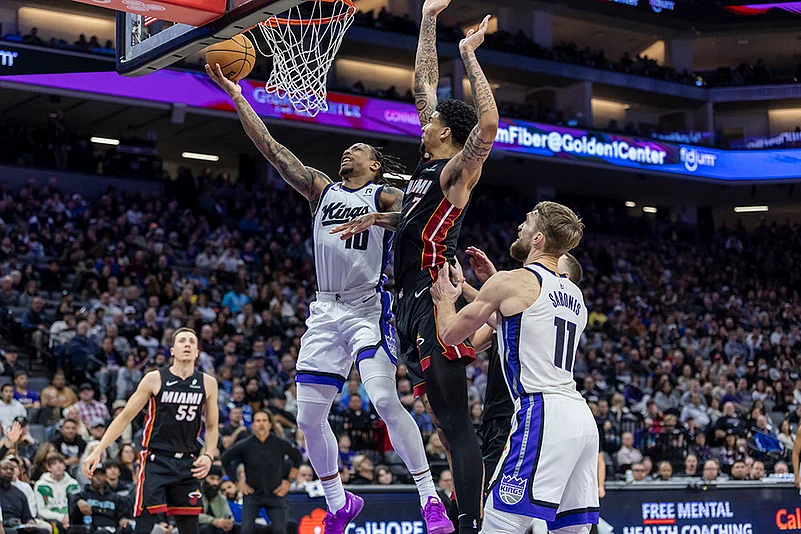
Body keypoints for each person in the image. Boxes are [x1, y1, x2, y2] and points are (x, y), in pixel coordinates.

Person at [207, 54, 451, 534]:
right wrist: (238, 97)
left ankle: (429, 499)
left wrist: (377, 219)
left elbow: (420, 217)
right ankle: (340, 503)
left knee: (384, 400)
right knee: (307, 417)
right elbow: (273, 149)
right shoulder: (321, 189)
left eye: (357, 149)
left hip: (367, 307)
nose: (347, 153)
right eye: (346, 149)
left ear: (374, 164)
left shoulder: (383, 194)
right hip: (324, 310)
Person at [335, 2, 499, 531]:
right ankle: (464, 508)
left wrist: (468, 54)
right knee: (442, 426)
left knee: (456, 423)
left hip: (434, 296)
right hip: (403, 300)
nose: (423, 123)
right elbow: (422, 83)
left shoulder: (455, 173)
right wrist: (428, 18)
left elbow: (488, 124)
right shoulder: (425, 169)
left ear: (446, 133)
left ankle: (471, 522)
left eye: (432, 122)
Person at [431, 202, 598, 533]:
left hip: (542, 412)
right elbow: (516, 324)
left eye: (527, 221)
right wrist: (485, 286)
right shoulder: (575, 295)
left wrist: (446, 300)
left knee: (499, 523)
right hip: (581, 419)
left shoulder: (514, 281)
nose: (520, 226)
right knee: (571, 530)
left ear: (537, 238)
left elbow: (451, 335)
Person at [82, 327, 219, 534]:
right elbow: (125, 417)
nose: (187, 344)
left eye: (192, 341)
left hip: (187, 462)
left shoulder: (208, 383)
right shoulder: (155, 379)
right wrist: (99, 449)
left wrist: (208, 455)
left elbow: (212, 426)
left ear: (197, 352)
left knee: (190, 528)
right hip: (156, 460)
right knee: (144, 526)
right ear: (172, 350)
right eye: (182, 341)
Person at [221, 411, 300, 534]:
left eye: (264, 420)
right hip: (252, 495)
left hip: (275, 494)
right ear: (253, 425)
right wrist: (237, 483)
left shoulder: (280, 444)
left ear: (270, 424)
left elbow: (297, 458)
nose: (261, 424)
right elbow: (225, 458)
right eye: (258, 421)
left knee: (280, 530)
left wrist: (289, 482)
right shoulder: (245, 445)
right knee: (246, 530)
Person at [69, 464, 133, 534]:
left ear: (105, 476)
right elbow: (73, 518)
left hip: (113, 530)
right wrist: (78, 501)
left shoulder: (115, 497)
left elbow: (123, 515)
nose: (98, 478)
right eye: (94, 475)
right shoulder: (82, 495)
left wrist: (123, 520)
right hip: (91, 530)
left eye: (101, 475)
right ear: (90, 477)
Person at [34, 454, 79, 530]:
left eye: (61, 463)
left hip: (70, 518)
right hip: (50, 519)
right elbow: (41, 510)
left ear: (65, 466)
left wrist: (68, 517)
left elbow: (76, 506)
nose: (58, 466)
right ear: (48, 468)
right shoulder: (40, 485)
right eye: (54, 464)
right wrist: (61, 517)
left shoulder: (73, 484)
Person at [198, 466, 238, 534]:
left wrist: (228, 522)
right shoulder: (196, 495)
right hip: (200, 527)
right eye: (212, 478)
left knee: (238, 528)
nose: (215, 483)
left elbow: (228, 515)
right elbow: (194, 516)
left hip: (219, 527)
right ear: (204, 479)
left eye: (218, 479)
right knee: (207, 529)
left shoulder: (221, 497)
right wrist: (213, 521)